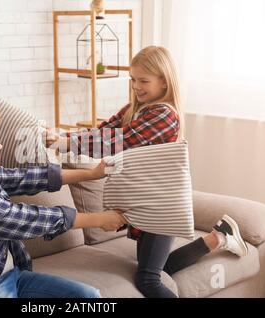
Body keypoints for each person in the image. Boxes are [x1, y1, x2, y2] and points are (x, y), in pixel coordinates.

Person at [45, 46, 248, 298]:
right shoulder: (135, 108)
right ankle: (218, 238)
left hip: (162, 204)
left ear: (164, 82)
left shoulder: (166, 115)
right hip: (143, 201)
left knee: (148, 279)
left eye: (143, 81)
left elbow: (121, 140)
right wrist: (63, 137)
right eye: (132, 80)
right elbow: (104, 129)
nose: (136, 86)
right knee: (157, 269)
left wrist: (66, 143)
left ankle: (219, 238)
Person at [0, 103, 127, 298]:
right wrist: (99, 220)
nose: (0, 146)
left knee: (89, 297)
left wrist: (92, 174)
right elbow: (31, 219)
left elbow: (30, 177)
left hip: (14, 277)